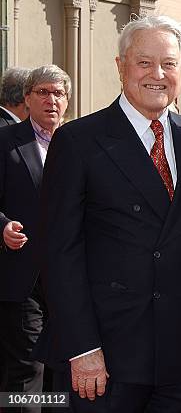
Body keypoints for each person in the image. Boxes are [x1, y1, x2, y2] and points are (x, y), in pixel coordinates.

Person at [34, 15, 181, 412]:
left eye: (169, 63)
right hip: (105, 357)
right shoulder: (79, 141)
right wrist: (82, 348)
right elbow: (58, 254)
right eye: (144, 62)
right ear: (120, 67)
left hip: (178, 359)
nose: (158, 74)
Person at [0, 65, 70, 413]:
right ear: (27, 98)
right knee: (27, 371)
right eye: (42, 92)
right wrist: (2, 227)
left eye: (58, 93)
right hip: (24, 279)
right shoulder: (5, 143)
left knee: (64, 372)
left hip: (70, 280)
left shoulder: (79, 144)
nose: (51, 100)